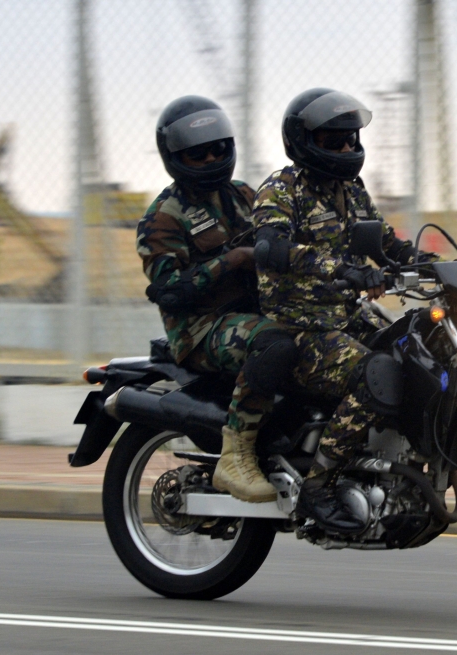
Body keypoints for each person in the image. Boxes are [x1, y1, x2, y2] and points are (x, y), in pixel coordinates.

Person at [251, 88, 436, 532]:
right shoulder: (280, 191)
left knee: (412, 351)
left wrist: (433, 265)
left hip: (342, 314)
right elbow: (272, 248)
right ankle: (319, 483)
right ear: (305, 141)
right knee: (379, 375)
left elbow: (385, 241)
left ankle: (388, 471)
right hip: (297, 326)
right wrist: (343, 269)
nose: (349, 149)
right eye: (337, 141)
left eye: (352, 139)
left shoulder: (350, 189)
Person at [136, 95, 298, 503]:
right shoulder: (164, 218)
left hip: (257, 311)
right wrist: (233, 260)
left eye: (218, 148)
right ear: (175, 157)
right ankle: (236, 455)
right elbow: (171, 292)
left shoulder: (244, 195)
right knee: (273, 342)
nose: (211, 158)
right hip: (202, 329)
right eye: (197, 153)